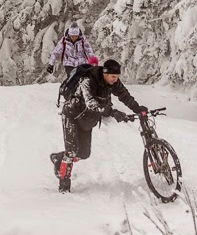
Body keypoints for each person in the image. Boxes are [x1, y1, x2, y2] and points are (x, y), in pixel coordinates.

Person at [49, 59, 148, 193]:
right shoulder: (87, 81)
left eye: (117, 77)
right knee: (71, 150)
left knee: (84, 154)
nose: (115, 80)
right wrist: (112, 112)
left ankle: (58, 158)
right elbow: (91, 104)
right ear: (105, 73)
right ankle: (64, 185)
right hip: (72, 115)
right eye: (113, 77)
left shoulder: (113, 82)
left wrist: (137, 108)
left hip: (87, 120)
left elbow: (124, 95)